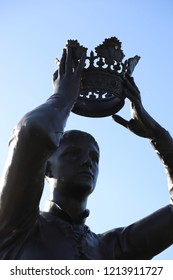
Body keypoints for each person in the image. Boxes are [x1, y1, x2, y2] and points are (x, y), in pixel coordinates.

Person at [0, 45, 173, 260]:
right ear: (47, 167)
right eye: (73, 153)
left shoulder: (109, 248)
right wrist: (62, 98)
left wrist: (160, 137)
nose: (87, 163)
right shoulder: (17, 226)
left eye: (94, 158)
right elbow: (33, 131)